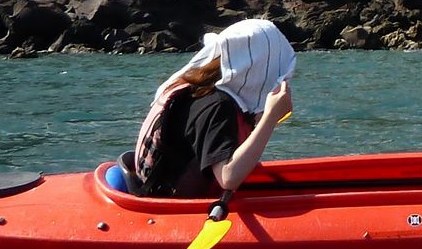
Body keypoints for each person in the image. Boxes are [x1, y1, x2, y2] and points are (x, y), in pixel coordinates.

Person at [114, 17, 296, 198]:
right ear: (259, 70)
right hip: (166, 204)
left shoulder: (200, 86)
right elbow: (228, 178)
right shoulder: (218, 105)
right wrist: (270, 117)